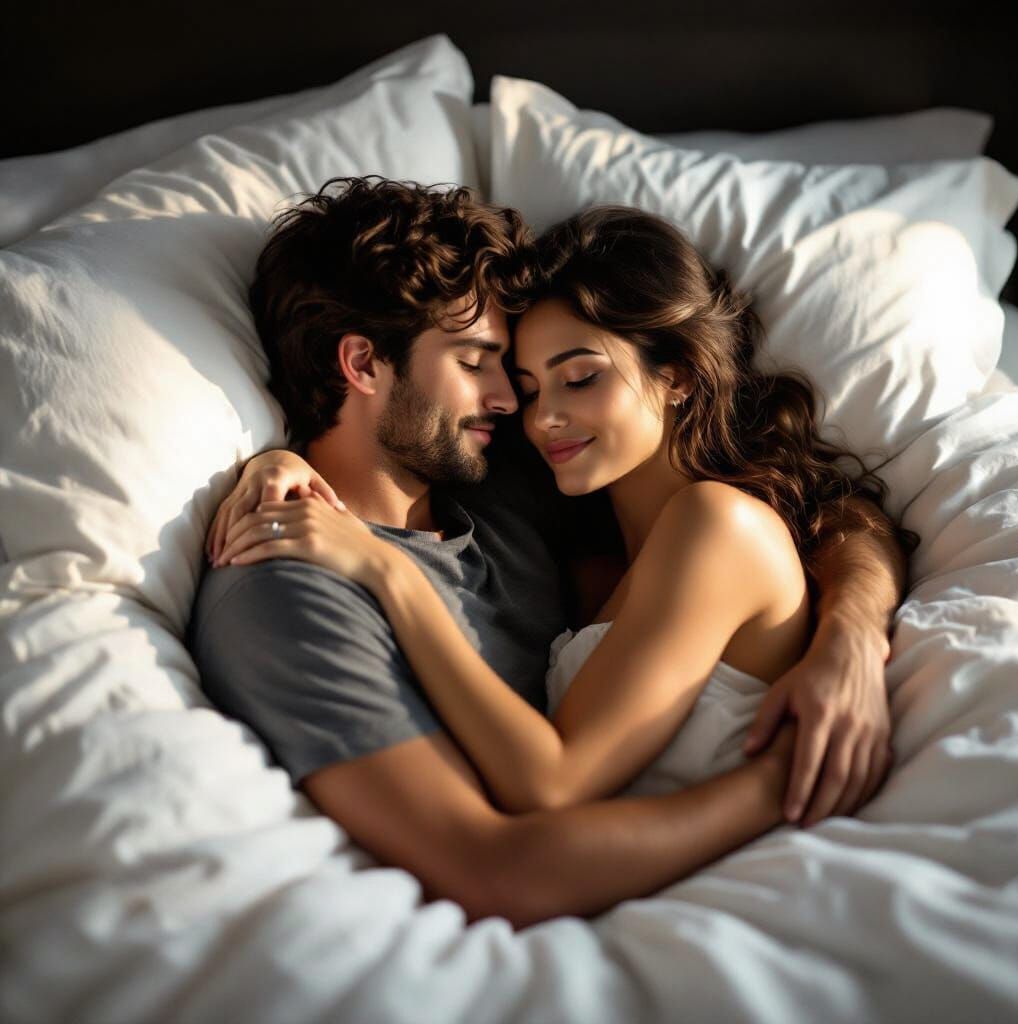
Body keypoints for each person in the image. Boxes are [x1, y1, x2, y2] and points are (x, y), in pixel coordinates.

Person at [189, 176, 908, 930]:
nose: (518, 407)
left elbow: (836, 513)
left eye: (562, 378)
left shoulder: (502, 481)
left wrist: (852, 633)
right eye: (482, 366)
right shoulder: (294, 586)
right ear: (363, 365)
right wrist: (274, 463)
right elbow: (495, 865)